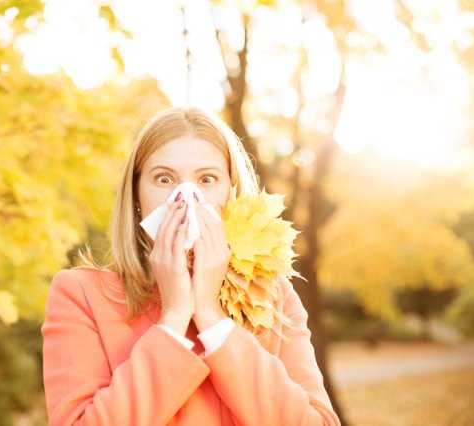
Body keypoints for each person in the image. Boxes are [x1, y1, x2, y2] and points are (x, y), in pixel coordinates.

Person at [41, 107, 341, 426]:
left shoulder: (274, 298)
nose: (185, 197)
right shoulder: (81, 295)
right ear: (137, 195)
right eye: (164, 178)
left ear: (231, 194)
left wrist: (212, 317)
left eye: (207, 179)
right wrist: (173, 317)